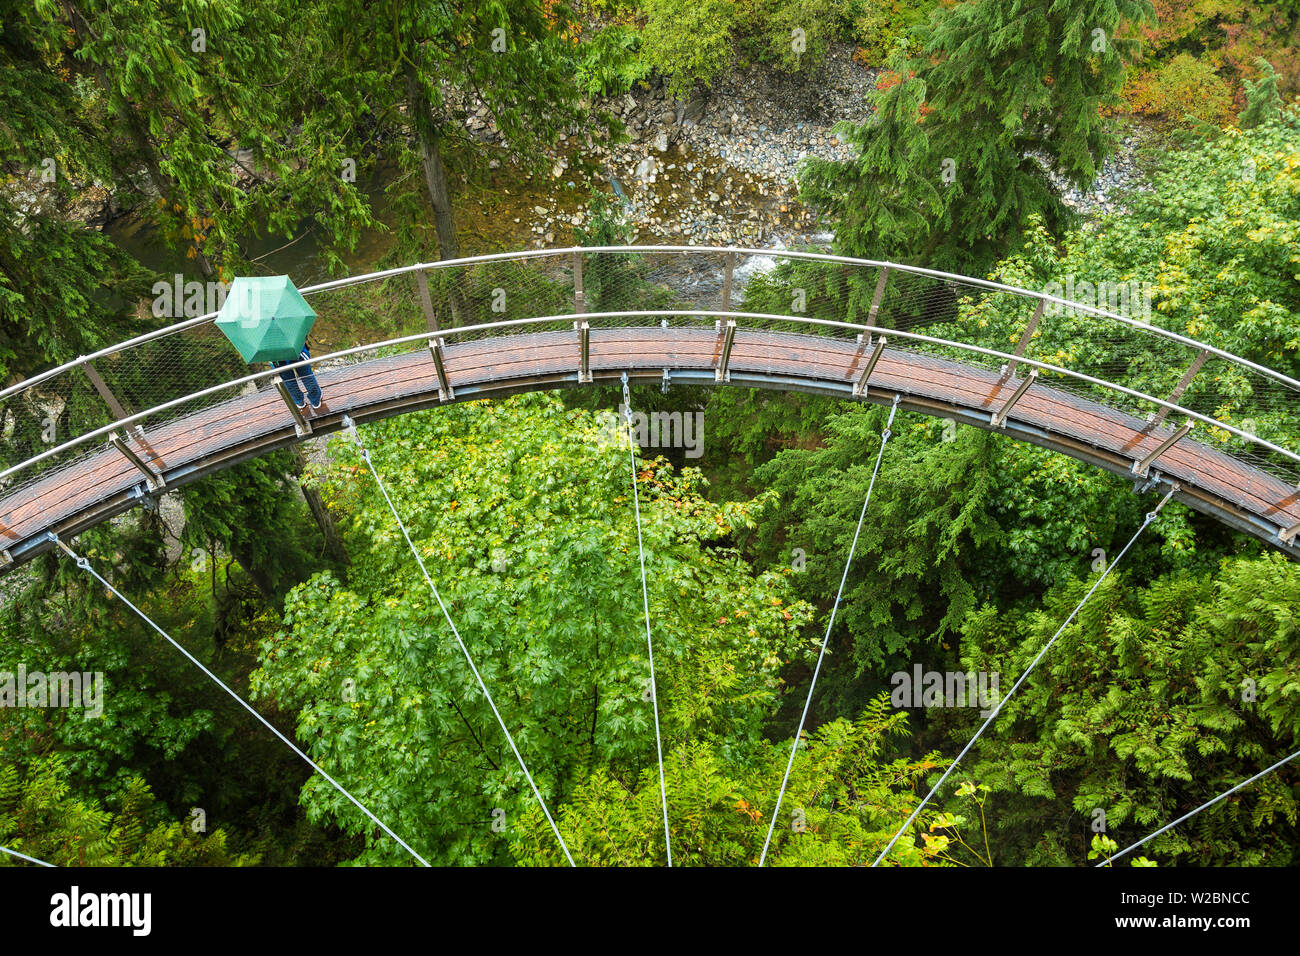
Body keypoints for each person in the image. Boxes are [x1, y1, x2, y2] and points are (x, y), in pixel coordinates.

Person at [272, 343, 327, 414]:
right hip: (296, 348)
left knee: (289, 382)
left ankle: (299, 402)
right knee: (307, 377)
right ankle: (316, 401)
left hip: (277, 357)